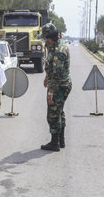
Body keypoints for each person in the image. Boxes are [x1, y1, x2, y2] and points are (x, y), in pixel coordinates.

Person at [41, 23, 72, 151]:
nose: (44, 40)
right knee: (59, 111)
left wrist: (50, 93)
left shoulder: (59, 51)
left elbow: (57, 73)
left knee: (53, 113)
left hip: (59, 86)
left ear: (49, 37)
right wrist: (46, 77)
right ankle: (61, 141)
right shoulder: (56, 46)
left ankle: (55, 143)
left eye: (45, 38)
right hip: (61, 84)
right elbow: (52, 69)